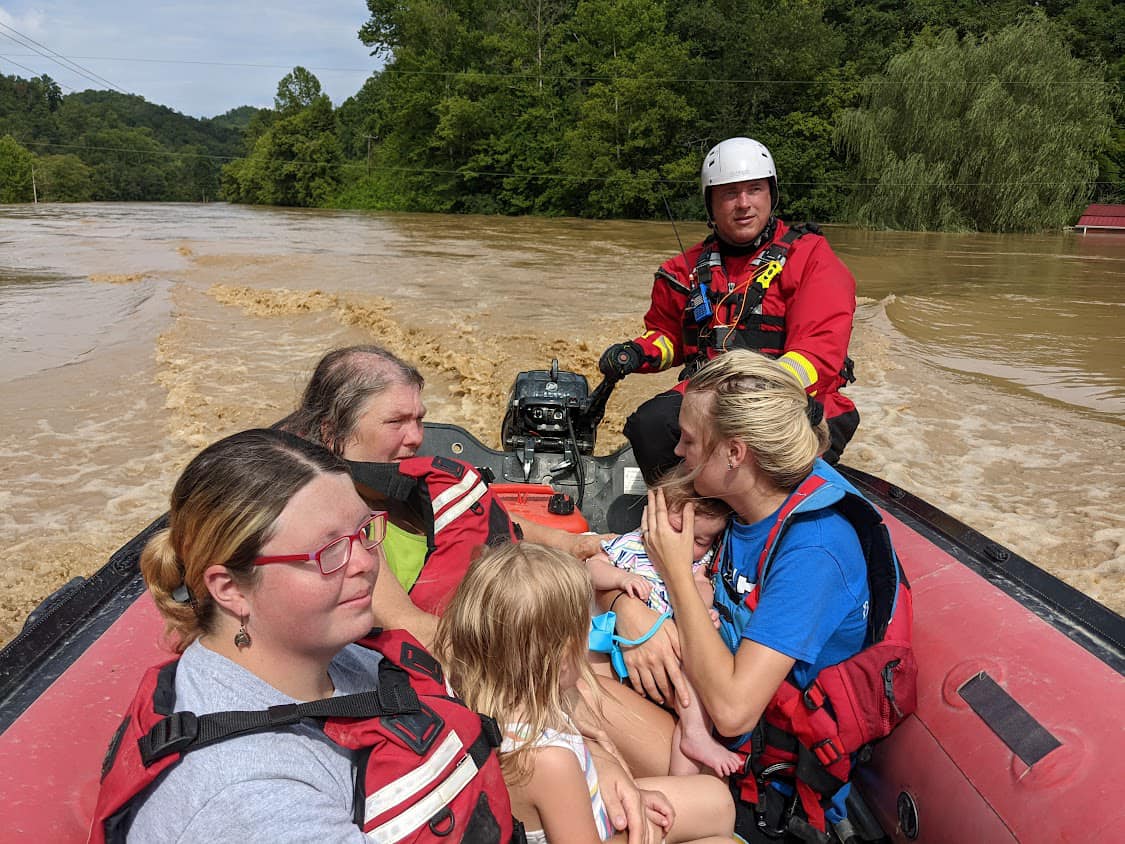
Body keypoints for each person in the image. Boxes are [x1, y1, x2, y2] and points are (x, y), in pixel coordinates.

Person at [88, 428, 516, 842]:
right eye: (329, 551)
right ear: (231, 589)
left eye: (365, 533)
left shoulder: (324, 652)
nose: (365, 564)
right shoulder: (254, 807)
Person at [606, 350, 911, 840]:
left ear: (735, 453)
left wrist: (676, 575)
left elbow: (732, 710)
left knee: (556, 716)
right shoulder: (738, 506)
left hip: (749, 779)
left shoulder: (814, 548)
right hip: (698, 713)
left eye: (688, 439)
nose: (679, 451)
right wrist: (625, 607)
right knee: (543, 670)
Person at [279, 344, 609, 646]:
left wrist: (573, 544)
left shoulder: (405, 481)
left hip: (496, 615)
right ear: (332, 431)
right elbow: (406, 625)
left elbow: (483, 517)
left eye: (419, 419)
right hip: (460, 656)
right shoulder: (337, 521)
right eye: (396, 421)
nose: (416, 438)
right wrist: (533, 645)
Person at [433, 541, 737, 844]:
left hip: (587, 809)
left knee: (716, 799)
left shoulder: (487, 702)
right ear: (564, 658)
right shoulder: (550, 762)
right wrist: (645, 831)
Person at [598, 137, 859, 483]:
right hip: (712, 393)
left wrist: (750, 398)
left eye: (754, 190)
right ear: (711, 204)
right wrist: (636, 352)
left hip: (795, 397)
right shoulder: (683, 271)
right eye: (729, 194)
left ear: (771, 194)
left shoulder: (811, 258)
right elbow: (669, 338)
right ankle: (689, 512)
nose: (744, 204)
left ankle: (770, 521)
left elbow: (819, 352)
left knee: (769, 451)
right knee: (650, 425)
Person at [584, 470, 740, 777]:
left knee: (696, 685)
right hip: (615, 647)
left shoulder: (699, 563)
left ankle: (687, 764)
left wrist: (698, 613)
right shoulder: (632, 546)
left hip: (670, 653)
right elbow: (591, 570)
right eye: (677, 528)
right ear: (652, 518)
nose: (686, 546)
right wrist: (621, 578)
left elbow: (702, 588)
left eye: (700, 540)